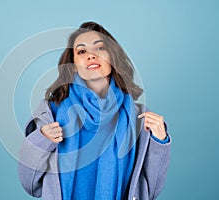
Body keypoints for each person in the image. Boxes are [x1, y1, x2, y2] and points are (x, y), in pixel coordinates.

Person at [18, 22, 171, 200]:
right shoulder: (51, 112)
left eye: (100, 48)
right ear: (73, 64)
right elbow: (30, 184)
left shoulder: (139, 117)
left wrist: (160, 141)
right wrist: (42, 140)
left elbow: (150, 190)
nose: (91, 55)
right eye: (82, 51)